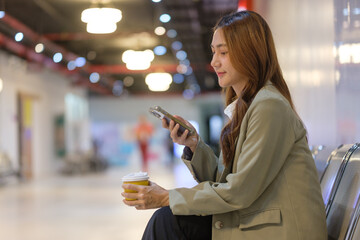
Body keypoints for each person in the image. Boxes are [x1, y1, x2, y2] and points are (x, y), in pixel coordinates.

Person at [122, 10, 327, 240]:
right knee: (168, 220)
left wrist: (167, 197)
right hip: (256, 223)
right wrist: (193, 144)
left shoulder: (269, 107)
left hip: (280, 232)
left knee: (168, 220)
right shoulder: (246, 107)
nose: (214, 61)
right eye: (213, 52)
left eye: (223, 52)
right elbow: (223, 181)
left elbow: (239, 191)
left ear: (250, 53)